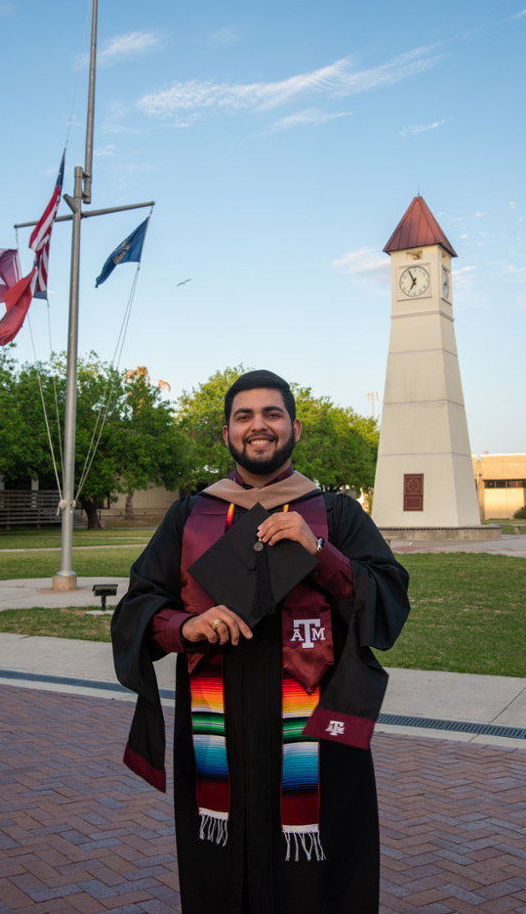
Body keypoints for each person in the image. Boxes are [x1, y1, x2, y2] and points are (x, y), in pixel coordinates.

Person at [111, 370, 410, 914]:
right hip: (217, 734)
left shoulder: (335, 514)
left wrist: (319, 549)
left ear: (293, 427)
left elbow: (388, 602)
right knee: (220, 877)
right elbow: (137, 607)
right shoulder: (191, 514)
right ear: (226, 434)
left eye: (271, 414)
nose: (259, 426)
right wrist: (185, 627)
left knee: (321, 878)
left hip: (319, 736)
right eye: (244, 416)